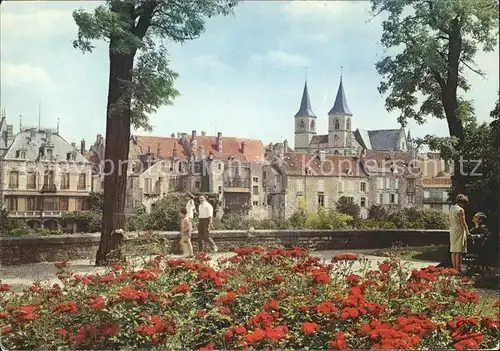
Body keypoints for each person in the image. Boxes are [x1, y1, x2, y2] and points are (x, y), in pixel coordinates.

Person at [449, 194, 470, 273]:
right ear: (463, 203)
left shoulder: (451, 208)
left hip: (452, 229)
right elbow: (463, 223)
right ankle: (458, 270)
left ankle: (454, 269)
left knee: (453, 250)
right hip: (459, 230)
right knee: (459, 251)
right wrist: (468, 233)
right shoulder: (461, 210)